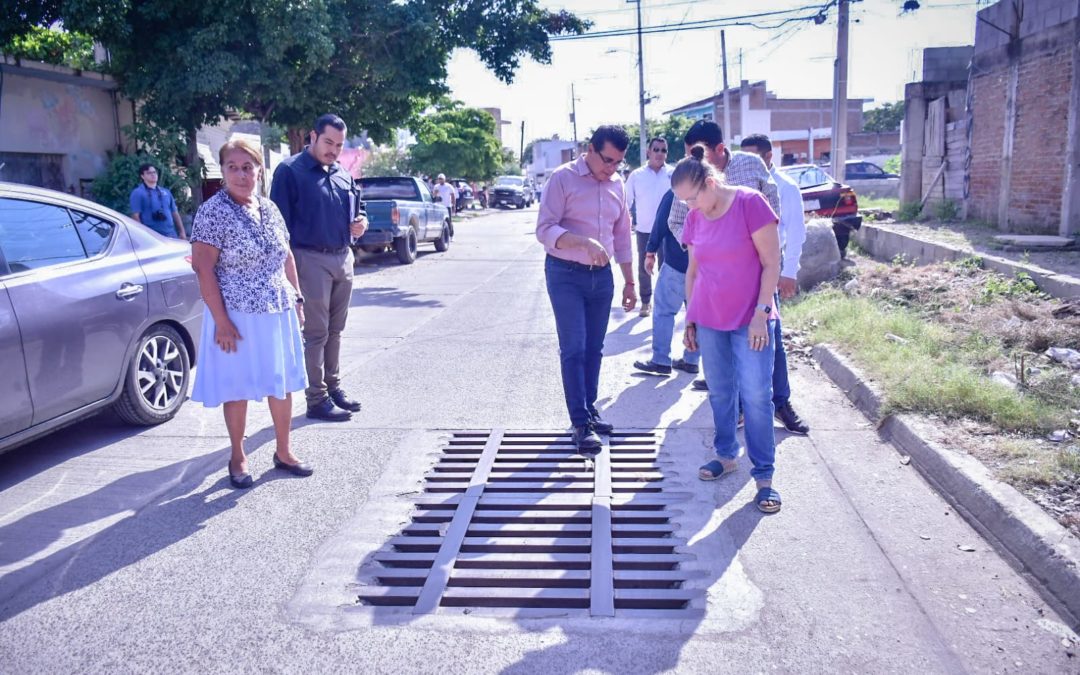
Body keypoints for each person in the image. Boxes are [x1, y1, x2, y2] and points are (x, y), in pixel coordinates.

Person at [189, 139, 312, 489]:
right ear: (223, 171)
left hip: (277, 308)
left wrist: (298, 299)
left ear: (259, 169)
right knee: (237, 387)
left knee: (282, 382)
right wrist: (222, 322)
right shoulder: (212, 212)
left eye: (248, 167)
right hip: (236, 315)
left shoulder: (269, 208)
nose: (241, 175)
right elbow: (203, 268)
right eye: (233, 167)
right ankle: (238, 456)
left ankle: (284, 452)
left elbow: (286, 256)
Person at [675, 145, 783, 514]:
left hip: (751, 318)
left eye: (691, 198)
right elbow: (693, 271)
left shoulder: (750, 204)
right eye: (683, 202)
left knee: (755, 396)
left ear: (709, 183)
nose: (689, 207)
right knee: (721, 392)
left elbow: (772, 263)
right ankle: (725, 455)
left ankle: (765, 477)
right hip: (709, 318)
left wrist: (761, 313)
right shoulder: (694, 218)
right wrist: (690, 318)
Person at [536, 125, 637, 452]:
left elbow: (622, 236)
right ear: (590, 149)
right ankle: (579, 423)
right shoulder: (562, 178)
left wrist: (631, 282)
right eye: (607, 160)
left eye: (618, 163)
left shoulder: (617, 184)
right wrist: (582, 241)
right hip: (565, 273)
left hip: (602, 277)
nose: (612, 168)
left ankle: (589, 410)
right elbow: (545, 228)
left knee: (595, 348)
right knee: (575, 348)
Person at [666, 120, 778, 393]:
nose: (693, 159)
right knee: (723, 381)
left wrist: (749, 241)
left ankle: (781, 403)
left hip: (759, 279)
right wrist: (705, 243)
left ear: (719, 149)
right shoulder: (689, 184)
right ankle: (734, 409)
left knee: (764, 366)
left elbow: (774, 206)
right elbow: (677, 221)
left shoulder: (751, 166)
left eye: (698, 153)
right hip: (715, 289)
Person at [270, 114, 368, 422]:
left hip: (343, 257)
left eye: (339, 145)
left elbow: (358, 207)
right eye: (328, 142)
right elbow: (277, 225)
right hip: (308, 258)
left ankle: (333, 386)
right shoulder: (290, 171)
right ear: (312, 136)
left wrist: (361, 222)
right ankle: (316, 398)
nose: (334, 151)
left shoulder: (341, 173)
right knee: (316, 332)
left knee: (336, 330)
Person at [740, 133, 810, 435]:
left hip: (770, 270)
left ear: (769, 157)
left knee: (773, 340)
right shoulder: (738, 183)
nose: (746, 163)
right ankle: (742, 407)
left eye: (753, 157)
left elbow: (795, 233)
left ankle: (780, 403)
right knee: (738, 339)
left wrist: (789, 272)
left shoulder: (786, 187)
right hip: (739, 272)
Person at [632, 189, 699, 376]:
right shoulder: (715, 190)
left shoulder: (676, 192)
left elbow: (662, 222)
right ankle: (691, 360)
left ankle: (660, 359)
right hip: (703, 268)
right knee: (697, 314)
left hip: (677, 265)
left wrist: (650, 251)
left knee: (664, 311)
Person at [625, 137, 674, 318]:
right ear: (648, 152)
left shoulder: (673, 174)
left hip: (669, 230)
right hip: (645, 230)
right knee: (644, 267)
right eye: (656, 149)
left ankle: (664, 303)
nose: (660, 153)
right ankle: (646, 302)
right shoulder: (637, 176)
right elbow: (626, 202)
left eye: (663, 150)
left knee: (666, 267)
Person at [129, 163, 186, 239]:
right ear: (142, 176)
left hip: (171, 234)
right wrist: (142, 236)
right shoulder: (138, 193)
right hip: (151, 236)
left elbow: (175, 213)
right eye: (149, 173)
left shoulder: (166, 192)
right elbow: (135, 216)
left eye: (154, 172)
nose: (153, 175)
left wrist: (182, 232)